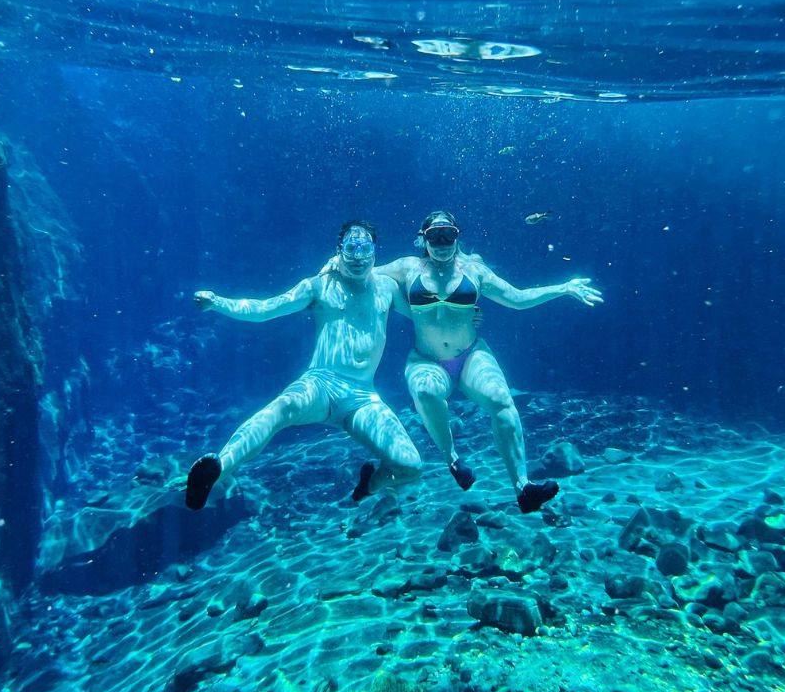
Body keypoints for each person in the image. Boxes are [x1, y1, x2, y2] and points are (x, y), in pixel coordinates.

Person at [376, 210, 604, 514]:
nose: (442, 242)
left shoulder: (475, 271)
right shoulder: (408, 267)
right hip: (426, 359)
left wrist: (562, 288)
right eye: (435, 236)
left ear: (458, 236)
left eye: (448, 235)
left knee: (501, 400)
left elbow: (518, 298)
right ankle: (453, 459)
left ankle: (523, 487)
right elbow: (365, 272)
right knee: (426, 392)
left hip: (470, 355)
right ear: (423, 238)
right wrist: (334, 265)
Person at [185, 220, 422, 511]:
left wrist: (464, 319)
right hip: (320, 385)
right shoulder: (319, 286)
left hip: (362, 399)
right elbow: (265, 309)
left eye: (365, 249)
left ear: (375, 252)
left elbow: (428, 320)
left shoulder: (387, 288)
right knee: (281, 409)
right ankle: (219, 469)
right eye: (351, 248)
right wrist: (218, 302)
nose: (358, 257)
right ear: (339, 251)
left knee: (411, 466)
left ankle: (369, 485)